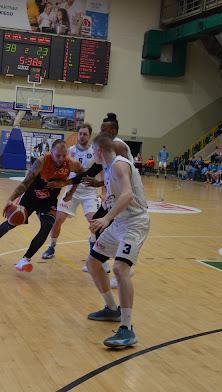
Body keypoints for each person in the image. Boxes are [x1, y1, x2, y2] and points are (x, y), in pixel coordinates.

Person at [47, 113, 135, 286]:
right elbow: (91, 172)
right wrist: (65, 183)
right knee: (98, 225)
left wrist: (100, 185)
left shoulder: (117, 146)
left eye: (103, 130)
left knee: (111, 228)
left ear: (113, 132)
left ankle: (124, 266)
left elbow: (126, 174)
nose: (100, 133)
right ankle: (103, 261)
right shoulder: (105, 149)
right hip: (115, 193)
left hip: (125, 195)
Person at [0, 140, 84, 272]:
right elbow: (26, 183)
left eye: (64, 155)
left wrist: (69, 189)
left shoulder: (71, 163)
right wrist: (10, 199)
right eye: (58, 155)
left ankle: (25, 259)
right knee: (12, 222)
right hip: (31, 196)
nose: (61, 159)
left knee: (47, 226)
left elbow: (82, 174)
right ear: (51, 152)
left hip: (49, 200)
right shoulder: (42, 161)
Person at [85, 133, 150, 347]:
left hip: (134, 223)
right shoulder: (107, 167)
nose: (92, 155)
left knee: (120, 269)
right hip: (119, 223)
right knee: (93, 264)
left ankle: (127, 329)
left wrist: (106, 218)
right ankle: (112, 309)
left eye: (93, 151)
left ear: (99, 150)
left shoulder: (118, 165)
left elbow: (128, 195)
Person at [41, 124, 101, 259]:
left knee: (93, 221)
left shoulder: (94, 151)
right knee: (58, 219)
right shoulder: (69, 151)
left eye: (85, 134)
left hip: (90, 191)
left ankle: (93, 243)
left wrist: (103, 192)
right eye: (80, 133)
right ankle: (51, 247)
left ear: (90, 136)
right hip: (72, 189)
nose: (82, 136)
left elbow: (101, 171)